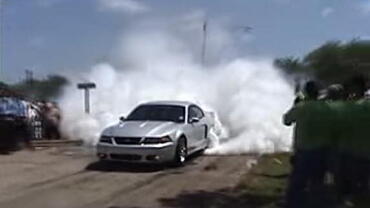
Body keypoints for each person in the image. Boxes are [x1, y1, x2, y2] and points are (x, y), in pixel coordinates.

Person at [284, 81, 331, 208]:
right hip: (322, 152)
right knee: (317, 184)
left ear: (306, 92)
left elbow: (286, 121)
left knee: (297, 186)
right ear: (318, 93)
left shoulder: (300, 107)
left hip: (302, 152)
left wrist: (295, 105)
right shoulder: (327, 107)